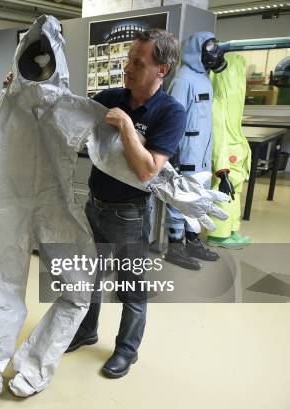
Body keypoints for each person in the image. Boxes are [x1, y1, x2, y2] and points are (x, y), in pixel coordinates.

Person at [66, 29, 186, 379]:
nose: (127, 66)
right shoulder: (110, 96)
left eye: (138, 61)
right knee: (89, 277)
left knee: (131, 287)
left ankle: (126, 350)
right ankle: (87, 330)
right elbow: (66, 109)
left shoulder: (170, 113)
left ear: (161, 70)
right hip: (95, 206)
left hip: (129, 215)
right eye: (128, 58)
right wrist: (23, 86)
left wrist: (127, 128)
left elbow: (148, 170)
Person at [165, 32, 227, 270]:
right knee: (181, 201)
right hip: (187, 154)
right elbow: (174, 119)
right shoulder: (183, 80)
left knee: (198, 200)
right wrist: (174, 155)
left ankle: (192, 242)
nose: (214, 52)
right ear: (196, 49)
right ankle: (175, 248)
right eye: (209, 46)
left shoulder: (204, 78)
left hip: (203, 155)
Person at [207, 53, 252, 249]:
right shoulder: (218, 102)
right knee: (224, 195)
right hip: (228, 157)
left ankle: (231, 230)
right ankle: (219, 235)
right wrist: (222, 168)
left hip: (237, 154)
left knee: (234, 196)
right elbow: (219, 138)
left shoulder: (232, 103)